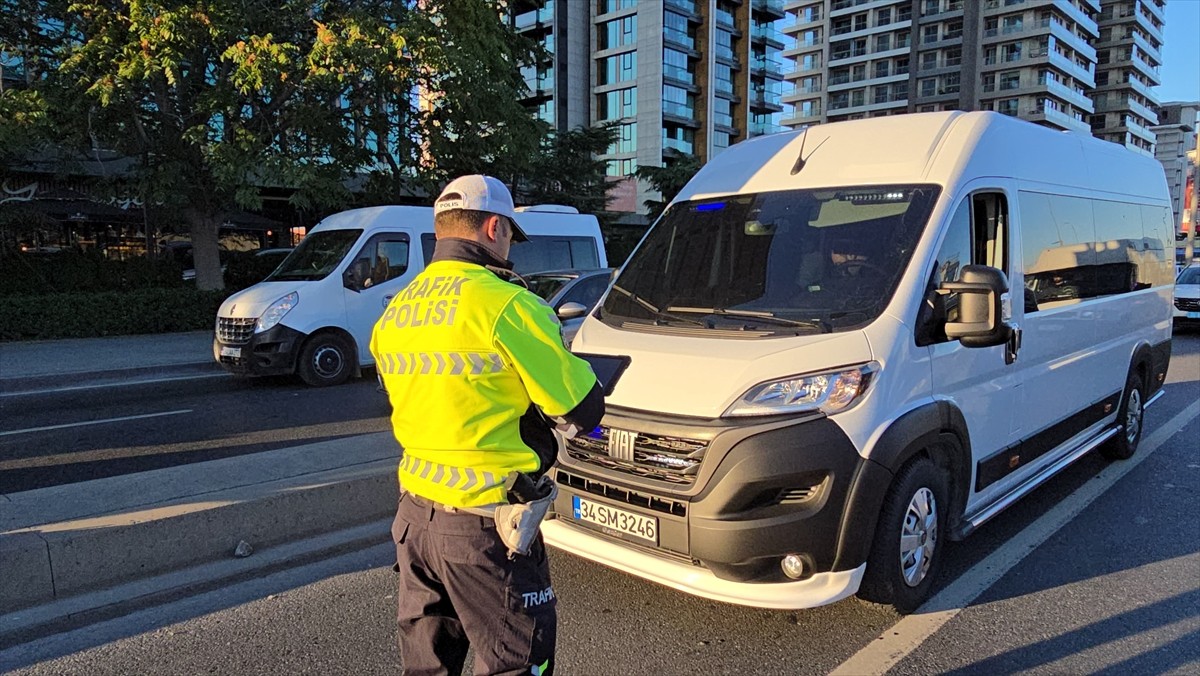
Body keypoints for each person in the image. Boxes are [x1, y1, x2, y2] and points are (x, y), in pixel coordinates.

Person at [370, 174, 604, 676]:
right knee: (518, 662)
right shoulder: (507, 305)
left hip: (414, 521)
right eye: (510, 238)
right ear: (495, 227)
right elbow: (581, 410)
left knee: (427, 666)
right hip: (484, 525)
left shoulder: (397, 310)